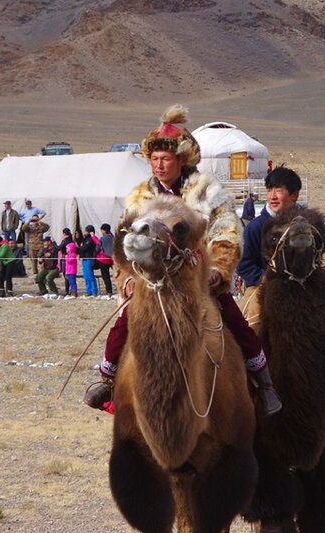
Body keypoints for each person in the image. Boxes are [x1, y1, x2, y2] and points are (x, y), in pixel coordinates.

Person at [83, 105, 281, 415]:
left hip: (198, 279)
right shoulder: (139, 198)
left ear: (181, 160)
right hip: (153, 282)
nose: (158, 166)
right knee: (122, 324)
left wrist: (217, 269)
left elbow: (226, 233)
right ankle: (107, 380)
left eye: (165, 159)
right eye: (154, 159)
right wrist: (128, 278)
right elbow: (124, 246)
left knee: (235, 321)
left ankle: (264, 383)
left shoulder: (206, 191)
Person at [235, 166, 302, 328]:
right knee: (249, 328)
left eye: (278, 190)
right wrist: (266, 279)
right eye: (269, 190)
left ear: (294, 195)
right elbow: (244, 265)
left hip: (300, 288)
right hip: (261, 289)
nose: (272, 196)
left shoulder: (305, 225)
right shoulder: (255, 227)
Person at [78, 225, 98, 295]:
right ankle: (88, 290)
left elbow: (84, 247)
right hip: (84, 258)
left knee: (90, 275)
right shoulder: (85, 239)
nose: (85, 232)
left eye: (86, 231)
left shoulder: (91, 239)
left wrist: (81, 246)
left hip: (89, 258)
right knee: (86, 276)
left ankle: (94, 290)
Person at [95, 224, 115, 295]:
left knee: (105, 276)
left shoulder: (102, 238)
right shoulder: (113, 237)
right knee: (108, 276)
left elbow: (98, 248)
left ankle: (109, 291)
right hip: (111, 259)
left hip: (103, 259)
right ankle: (110, 290)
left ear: (104, 230)